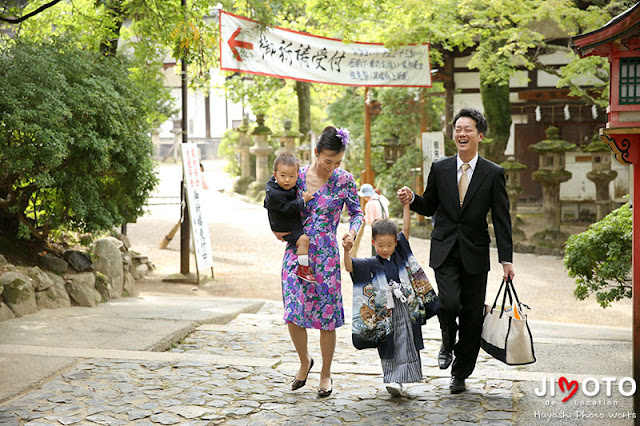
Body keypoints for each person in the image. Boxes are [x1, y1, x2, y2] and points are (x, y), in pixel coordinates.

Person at [398, 107, 515, 394]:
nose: (462, 134)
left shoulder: (493, 173)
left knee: (473, 318)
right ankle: (447, 341)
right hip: (445, 249)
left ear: (480, 136)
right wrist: (413, 199)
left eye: (468, 130)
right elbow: (430, 205)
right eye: (458, 129)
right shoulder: (440, 168)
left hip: (475, 253)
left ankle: (460, 373)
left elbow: (502, 218)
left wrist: (506, 260)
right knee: (449, 304)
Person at [272, 126, 363, 397]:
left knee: (327, 317)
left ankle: (325, 373)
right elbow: (273, 201)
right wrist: (275, 228)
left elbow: (357, 212)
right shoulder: (294, 176)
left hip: (326, 254)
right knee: (293, 310)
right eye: (327, 161)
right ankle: (304, 362)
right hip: (296, 249)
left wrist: (352, 232)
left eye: (337, 162)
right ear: (315, 153)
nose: (331, 167)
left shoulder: (344, 180)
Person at [343, 201, 439, 397]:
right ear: (373, 243)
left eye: (389, 245)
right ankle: (393, 379)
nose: (385, 249)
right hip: (385, 312)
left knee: (408, 341)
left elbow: (406, 228)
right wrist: (346, 249)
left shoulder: (400, 254)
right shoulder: (370, 263)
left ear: (396, 242)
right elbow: (349, 267)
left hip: (405, 306)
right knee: (389, 342)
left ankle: (402, 379)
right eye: (380, 245)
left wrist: (406, 205)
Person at [264, 153, 316, 282]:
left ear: (298, 176)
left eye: (291, 176)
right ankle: (303, 268)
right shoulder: (274, 193)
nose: (287, 180)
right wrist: (304, 200)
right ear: (275, 175)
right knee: (304, 240)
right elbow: (288, 208)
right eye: (283, 176)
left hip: (287, 222)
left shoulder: (280, 185)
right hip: (285, 225)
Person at [357, 183, 390, 256]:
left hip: (377, 227)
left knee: (377, 246)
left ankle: (376, 262)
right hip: (387, 225)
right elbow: (388, 203)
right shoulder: (381, 198)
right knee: (386, 246)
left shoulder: (369, 204)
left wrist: (365, 218)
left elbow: (370, 221)